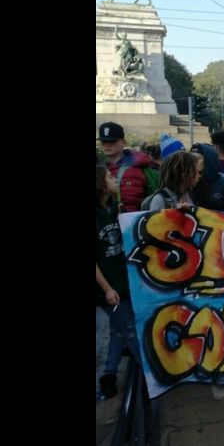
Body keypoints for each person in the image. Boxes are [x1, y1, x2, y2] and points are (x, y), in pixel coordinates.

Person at [96, 164, 141, 400]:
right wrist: (107, 289)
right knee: (130, 328)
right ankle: (150, 373)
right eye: (110, 177)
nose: (115, 179)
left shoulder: (115, 207)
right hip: (107, 289)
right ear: (101, 185)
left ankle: (109, 377)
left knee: (117, 331)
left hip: (121, 283)